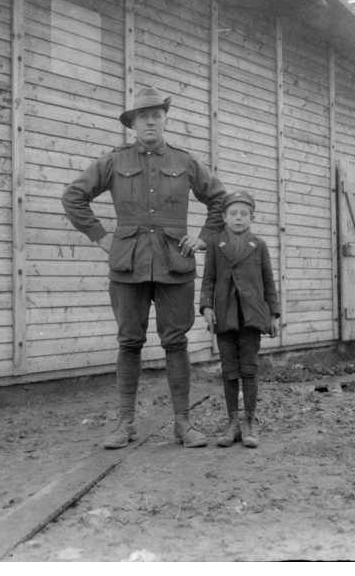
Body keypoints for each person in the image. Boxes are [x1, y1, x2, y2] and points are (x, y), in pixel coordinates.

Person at [62, 87, 227, 449]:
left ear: (166, 120)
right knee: (129, 342)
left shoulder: (185, 161)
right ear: (133, 124)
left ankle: (183, 423)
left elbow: (220, 200)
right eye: (142, 116)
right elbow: (74, 196)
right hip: (128, 264)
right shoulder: (114, 161)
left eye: (156, 115)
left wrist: (202, 237)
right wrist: (101, 237)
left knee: (176, 342)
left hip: (174, 265)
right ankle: (125, 423)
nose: (150, 121)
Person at [199, 190, 280, 448]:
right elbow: (208, 278)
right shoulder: (214, 243)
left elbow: (269, 282)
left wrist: (274, 315)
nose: (238, 218)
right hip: (225, 314)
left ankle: (249, 422)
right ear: (223, 217)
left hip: (252, 315)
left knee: (249, 369)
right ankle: (232, 422)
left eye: (244, 214)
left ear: (251, 217)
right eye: (233, 213)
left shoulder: (259, 245)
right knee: (229, 369)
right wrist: (206, 308)